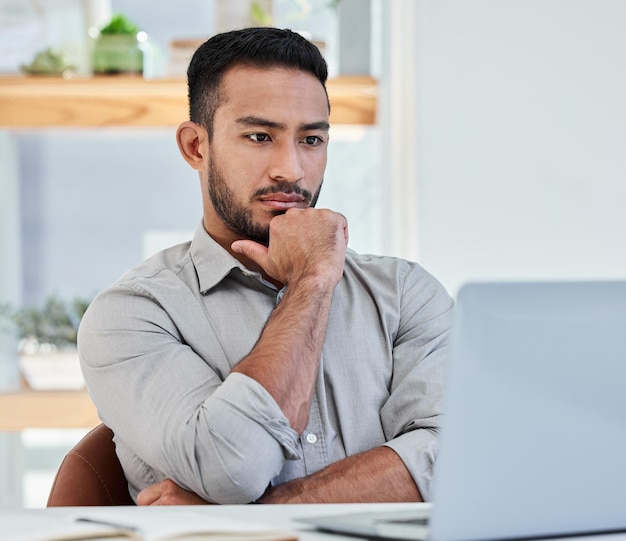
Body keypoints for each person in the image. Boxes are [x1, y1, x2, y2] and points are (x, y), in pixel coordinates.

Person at [78, 27, 454, 506]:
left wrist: (257, 518)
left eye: (312, 139)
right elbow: (231, 469)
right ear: (196, 146)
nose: (291, 170)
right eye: (260, 136)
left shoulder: (404, 294)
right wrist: (313, 281)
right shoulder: (132, 315)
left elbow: (455, 455)